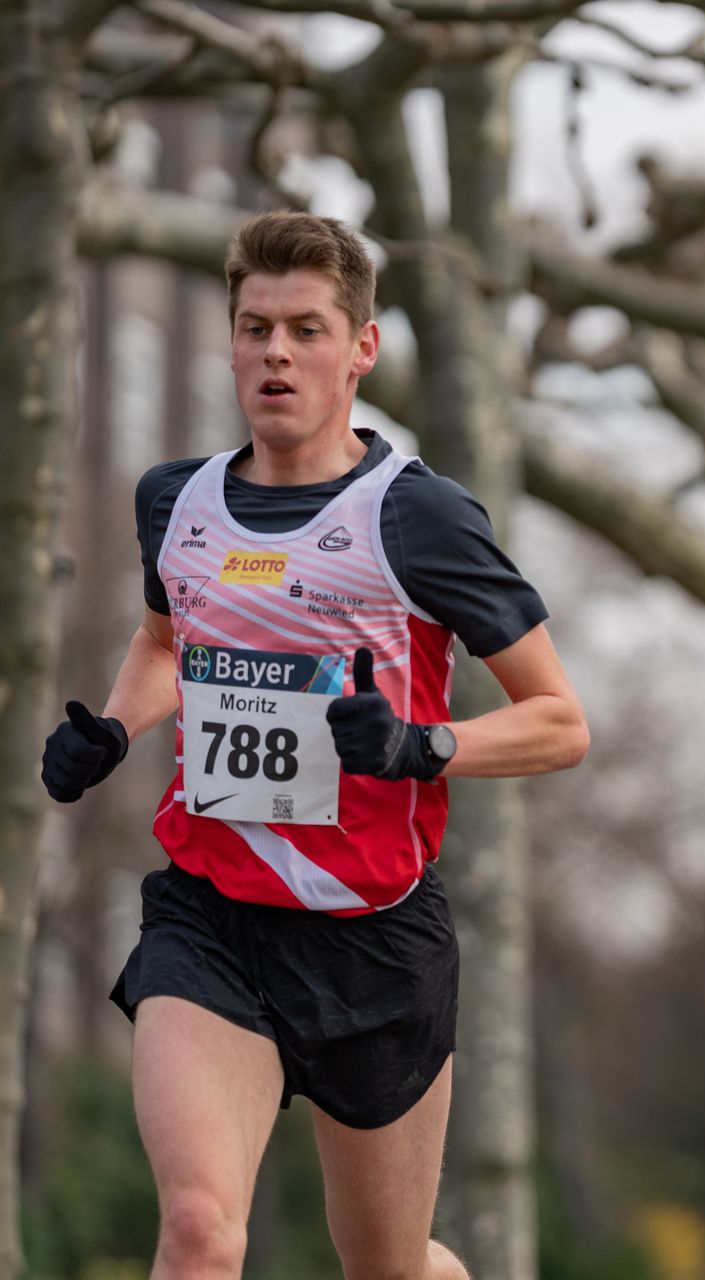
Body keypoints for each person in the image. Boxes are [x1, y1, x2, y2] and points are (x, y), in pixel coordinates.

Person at [40, 210, 589, 1280]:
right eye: (255, 328)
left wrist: (421, 745)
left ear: (361, 349)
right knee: (200, 1229)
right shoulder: (177, 502)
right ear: (231, 339)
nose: (276, 353)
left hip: (374, 936)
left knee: (388, 1265)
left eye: (305, 329)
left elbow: (561, 721)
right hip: (212, 917)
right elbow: (164, 641)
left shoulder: (417, 516)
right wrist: (115, 726)